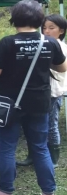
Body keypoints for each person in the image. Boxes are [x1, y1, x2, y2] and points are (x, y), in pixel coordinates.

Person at [0, 0, 67, 195]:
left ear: (14, 19)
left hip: (10, 104)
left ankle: (5, 194)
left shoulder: (8, 42)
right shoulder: (50, 42)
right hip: (39, 103)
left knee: (7, 148)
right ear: (39, 20)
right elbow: (62, 68)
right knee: (40, 148)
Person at [17, 14, 67, 167]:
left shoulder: (61, 46)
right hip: (38, 92)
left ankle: (53, 159)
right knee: (32, 123)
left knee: (51, 124)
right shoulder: (42, 44)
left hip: (53, 92)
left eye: (51, 28)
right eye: (44, 28)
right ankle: (33, 155)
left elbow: (61, 68)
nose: (47, 31)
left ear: (62, 30)